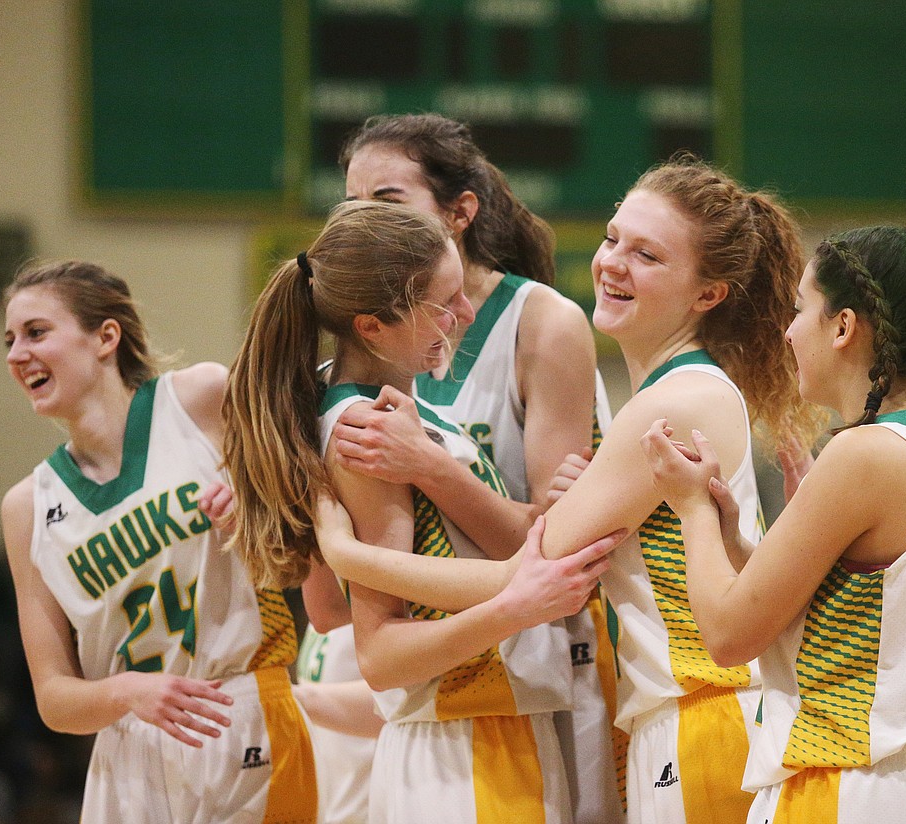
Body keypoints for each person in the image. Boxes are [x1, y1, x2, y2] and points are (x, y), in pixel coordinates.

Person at [315, 157, 822, 824]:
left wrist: (345, 550)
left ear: (707, 295)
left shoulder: (669, 407)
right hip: (692, 719)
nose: (613, 263)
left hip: (702, 718)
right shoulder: (670, 395)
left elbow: (532, 565)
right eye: (613, 239)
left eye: (647, 255)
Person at [222, 199, 619, 823]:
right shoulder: (365, 432)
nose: (464, 316)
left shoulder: (398, 416)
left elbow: (328, 605)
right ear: (374, 325)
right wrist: (509, 605)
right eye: (444, 304)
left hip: (486, 731)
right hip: (462, 741)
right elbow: (378, 653)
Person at [641, 226, 906, 822]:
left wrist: (693, 510)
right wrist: (733, 541)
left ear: (843, 327)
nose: (786, 331)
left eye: (800, 309)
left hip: (847, 789)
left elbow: (727, 637)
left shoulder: (864, 455)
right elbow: (861, 626)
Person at [321, 112, 621, 824]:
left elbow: (554, 540)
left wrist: (429, 468)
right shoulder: (356, 378)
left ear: (460, 213)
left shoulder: (541, 321)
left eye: (385, 200)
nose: (362, 217)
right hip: (449, 678)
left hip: (546, 661)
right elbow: (339, 611)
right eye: (350, 201)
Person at [0, 261, 318, 823]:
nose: (15, 354)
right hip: (129, 743)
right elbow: (54, 699)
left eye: (36, 332)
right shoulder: (26, 506)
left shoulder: (201, 398)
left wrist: (255, 519)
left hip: (243, 709)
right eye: (9, 340)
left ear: (105, 337)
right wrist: (125, 692)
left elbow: (304, 554)